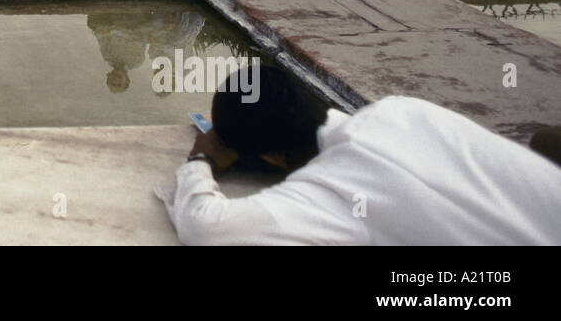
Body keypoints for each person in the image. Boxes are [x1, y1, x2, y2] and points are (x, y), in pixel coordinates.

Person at [159, 66, 561, 245]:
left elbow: (205, 228)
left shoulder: (330, 194)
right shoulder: (403, 109)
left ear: (275, 159)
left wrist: (201, 160)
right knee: (546, 141)